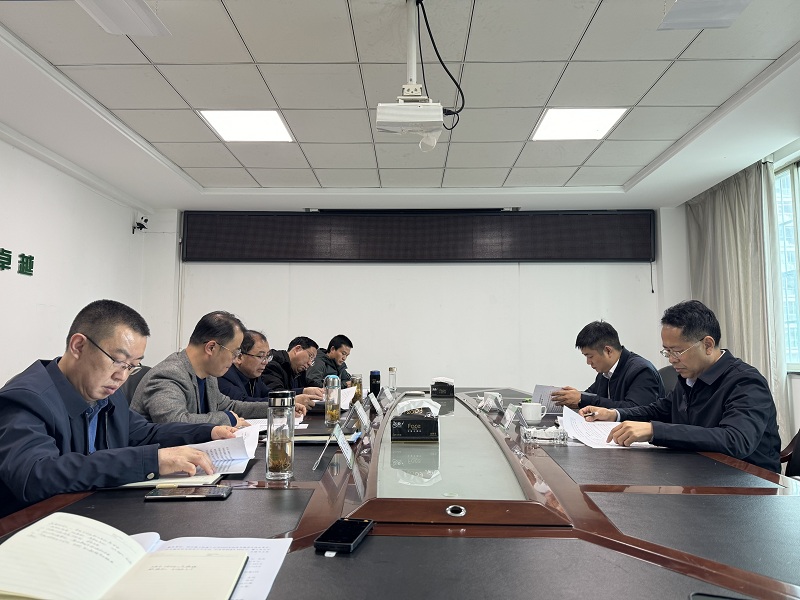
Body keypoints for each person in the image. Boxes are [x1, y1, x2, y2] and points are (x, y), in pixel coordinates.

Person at [0, 300, 237, 518]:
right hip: (30, 527)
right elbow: (35, 475)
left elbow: (143, 433)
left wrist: (208, 431)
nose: (121, 376)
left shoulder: (106, 394)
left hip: (92, 512)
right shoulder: (25, 399)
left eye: (132, 366)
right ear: (78, 346)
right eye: (118, 361)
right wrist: (149, 461)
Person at [580, 300, 781, 472]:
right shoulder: (690, 377)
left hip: (748, 482)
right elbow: (661, 410)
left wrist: (654, 431)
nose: (671, 359)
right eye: (666, 351)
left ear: (708, 345)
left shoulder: (745, 382)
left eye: (676, 351)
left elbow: (736, 440)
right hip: (699, 471)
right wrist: (614, 414)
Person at [131, 311, 271, 426]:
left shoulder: (208, 375)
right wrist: (228, 419)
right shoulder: (168, 374)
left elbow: (230, 406)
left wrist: (276, 407)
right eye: (234, 352)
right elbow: (175, 421)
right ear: (211, 347)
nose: (235, 359)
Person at [551, 321, 663, 410]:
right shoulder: (605, 373)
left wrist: (582, 399)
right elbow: (591, 396)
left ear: (608, 351)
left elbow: (636, 409)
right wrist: (572, 397)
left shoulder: (642, 371)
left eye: (590, 356)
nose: (588, 362)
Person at [217, 329, 307, 418]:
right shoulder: (224, 375)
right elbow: (242, 404)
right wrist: (286, 402)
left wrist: (295, 396)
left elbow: (269, 394)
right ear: (239, 357)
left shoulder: (253, 375)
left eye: (267, 356)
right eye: (260, 356)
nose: (266, 362)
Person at [262, 336, 323, 409]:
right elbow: (275, 394)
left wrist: (322, 389)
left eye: (312, 360)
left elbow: (309, 383)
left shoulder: (298, 370)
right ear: (297, 349)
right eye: (310, 356)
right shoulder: (273, 364)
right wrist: (303, 391)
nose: (310, 363)